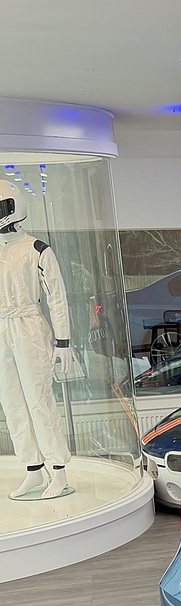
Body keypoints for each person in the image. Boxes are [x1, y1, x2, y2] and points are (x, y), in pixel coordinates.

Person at [0, 180, 75, 500]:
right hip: (2, 329)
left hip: (29, 327)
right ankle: (33, 468)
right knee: (12, 403)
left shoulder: (37, 249)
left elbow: (57, 297)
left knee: (39, 401)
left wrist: (63, 342)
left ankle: (58, 470)